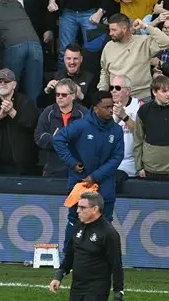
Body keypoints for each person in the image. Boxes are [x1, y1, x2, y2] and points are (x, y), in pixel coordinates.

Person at [52, 89, 124, 248]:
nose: (110, 110)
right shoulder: (81, 125)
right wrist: (72, 162)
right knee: (75, 220)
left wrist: (95, 176)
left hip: (104, 184)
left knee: (104, 222)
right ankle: (68, 260)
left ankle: (102, 258)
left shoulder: (116, 130)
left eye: (112, 106)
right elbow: (58, 140)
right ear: (95, 108)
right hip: (80, 182)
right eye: (106, 107)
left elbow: (117, 157)